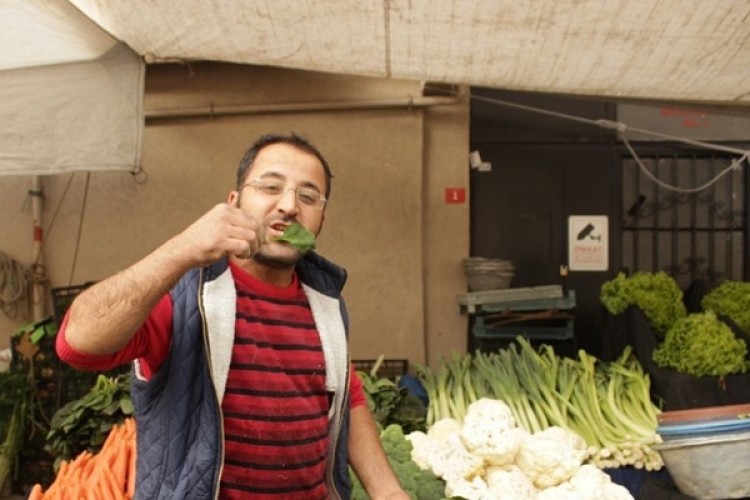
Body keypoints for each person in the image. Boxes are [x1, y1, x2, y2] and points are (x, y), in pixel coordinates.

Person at [56, 133, 410, 500]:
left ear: (321, 220)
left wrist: (387, 490)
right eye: (270, 186)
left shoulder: (325, 302)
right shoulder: (185, 297)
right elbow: (76, 345)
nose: (289, 206)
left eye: (308, 196)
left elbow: (347, 396)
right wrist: (183, 249)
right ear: (234, 203)